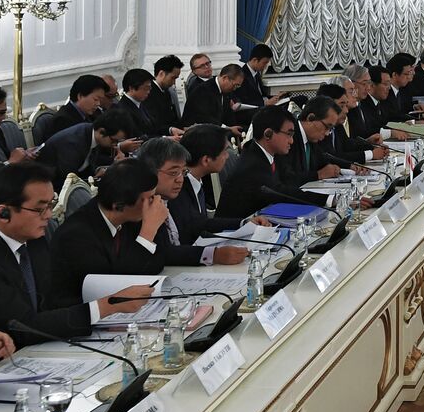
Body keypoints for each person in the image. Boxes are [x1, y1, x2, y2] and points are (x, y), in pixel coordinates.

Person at [0, 163, 154, 347]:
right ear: (3, 213)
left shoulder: (33, 241)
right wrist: (104, 307)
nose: (49, 215)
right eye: (40, 208)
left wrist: (108, 311)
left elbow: (52, 302)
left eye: (51, 205)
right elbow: (22, 327)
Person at [49, 160, 170, 305]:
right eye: (150, 198)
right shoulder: (76, 236)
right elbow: (116, 286)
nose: (157, 203)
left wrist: (153, 227)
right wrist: (148, 231)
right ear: (119, 205)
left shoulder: (129, 219)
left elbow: (156, 262)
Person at [136, 136, 247, 266]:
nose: (180, 179)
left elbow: (198, 223)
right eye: (173, 173)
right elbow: (163, 252)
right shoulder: (138, 208)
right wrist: (213, 255)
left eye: (183, 172)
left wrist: (244, 223)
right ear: (149, 172)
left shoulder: (174, 198)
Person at [215, 106, 330, 219]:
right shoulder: (253, 165)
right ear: (268, 134)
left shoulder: (271, 154)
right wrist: (327, 199)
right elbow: (281, 193)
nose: (292, 141)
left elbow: (289, 180)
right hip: (231, 232)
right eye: (288, 134)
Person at [36, 110, 137, 181]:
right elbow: (69, 180)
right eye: (114, 141)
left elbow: (87, 166)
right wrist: (93, 179)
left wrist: (101, 171)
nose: (115, 145)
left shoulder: (91, 132)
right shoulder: (73, 142)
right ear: (102, 132)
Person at [43, 75, 109, 141]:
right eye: (95, 99)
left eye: (100, 100)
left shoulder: (95, 113)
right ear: (80, 96)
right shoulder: (62, 120)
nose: (98, 104)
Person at [182, 63, 245, 129]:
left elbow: (228, 115)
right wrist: (227, 128)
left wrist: (233, 128)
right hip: (197, 131)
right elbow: (204, 118)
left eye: (238, 86)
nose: (235, 88)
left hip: (215, 128)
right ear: (225, 78)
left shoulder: (226, 90)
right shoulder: (203, 90)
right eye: (235, 85)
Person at [144, 54, 185, 137]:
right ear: (161, 73)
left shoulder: (166, 91)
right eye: (173, 78)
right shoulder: (148, 93)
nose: (174, 82)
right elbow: (154, 124)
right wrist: (170, 131)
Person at [111, 67, 158, 138]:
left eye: (149, 88)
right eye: (146, 88)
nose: (148, 92)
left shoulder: (141, 103)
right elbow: (137, 136)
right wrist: (164, 138)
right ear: (131, 88)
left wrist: (170, 130)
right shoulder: (121, 109)